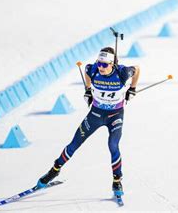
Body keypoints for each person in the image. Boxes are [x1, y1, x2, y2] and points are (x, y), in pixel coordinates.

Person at [37, 47, 140, 197]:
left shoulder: (122, 73)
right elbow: (87, 72)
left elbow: (137, 69)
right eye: (99, 63)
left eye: (105, 64)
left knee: (113, 145)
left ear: (112, 64)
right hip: (96, 114)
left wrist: (133, 88)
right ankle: (54, 170)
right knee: (74, 143)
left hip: (115, 116)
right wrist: (87, 89)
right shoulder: (93, 70)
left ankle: (117, 180)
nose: (101, 67)